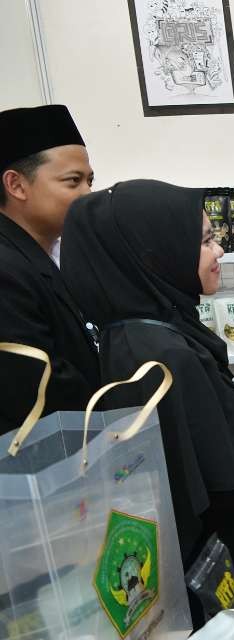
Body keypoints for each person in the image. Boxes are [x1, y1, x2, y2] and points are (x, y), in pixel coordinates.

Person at [60, 180, 234, 632]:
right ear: (154, 255)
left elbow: (206, 440)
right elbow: (230, 482)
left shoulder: (141, 333)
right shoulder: (165, 355)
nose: (220, 250)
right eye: (206, 240)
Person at [0, 105, 98, 435]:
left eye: (89, 181)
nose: (87, 195)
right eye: (73, 182)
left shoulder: (61, 251)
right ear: (16, 185)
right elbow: (39, 383)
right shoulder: (5, 268)